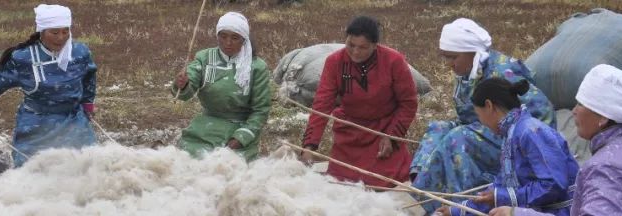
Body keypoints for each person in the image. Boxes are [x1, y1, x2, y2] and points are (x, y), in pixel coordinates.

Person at [487, 65, 622, 216]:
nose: (574, 111)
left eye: (582, 104)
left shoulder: (606, 167)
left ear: (603, 117)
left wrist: (518, 213)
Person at [410, 18, 556, 213]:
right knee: (438, 127)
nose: (449, 64)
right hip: (484, 130)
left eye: (453, 57)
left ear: (471, 52)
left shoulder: (502, 72)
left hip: (512, 140)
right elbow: (467, 117)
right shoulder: (467, 73)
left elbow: (543, 112)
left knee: (458, 138)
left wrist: (522, 147)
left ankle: (459, 203)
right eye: (446, 57)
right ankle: (424, 187)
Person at [0, 4, 98, 166]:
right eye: (54, 32)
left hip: (74, 120)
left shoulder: (80, 52)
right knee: (32, 169)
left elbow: (89, 75)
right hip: (37, 125)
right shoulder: (24, 58)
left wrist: (87, 103)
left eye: (65, 31)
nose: (61, 37)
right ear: (41, 32)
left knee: (87, 166)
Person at [298, 16, 417, 186]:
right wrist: (309, 147)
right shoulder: (335, 62)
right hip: (350, 132)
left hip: (383, 130)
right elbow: (322, 105)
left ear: (375, 46)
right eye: (350, 45)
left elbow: (408, 103)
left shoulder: (394, 61)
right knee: (342, 181)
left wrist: (391, 137)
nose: (355, 52)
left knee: (384, 181)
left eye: (363, 48)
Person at [434, 78, 578, 216]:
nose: (481, 122)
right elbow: (500, 188)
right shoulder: (511, 135)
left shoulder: (530, 132)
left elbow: (554, 185)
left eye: (479, 115)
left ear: (489, 106)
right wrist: (457, 210)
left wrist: (499, 196)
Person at [171, 12, 270, 161]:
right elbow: (186, 91)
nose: (228, 42)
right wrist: (182, 84)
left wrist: (240, 138)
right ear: (217, 36)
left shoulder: (257, 67)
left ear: (244, 39)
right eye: (223, 36)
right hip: (206, 126)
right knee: (186, 161)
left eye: (234, 37)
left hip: (239, 128)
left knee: (229, 166)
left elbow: (261, 110)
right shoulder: (204, 58)